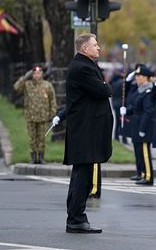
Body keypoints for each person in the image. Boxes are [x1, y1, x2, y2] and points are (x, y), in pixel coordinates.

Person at [64, 33, 113, 233]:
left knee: (81, 175)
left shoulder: (84, 65)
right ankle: (76, 219)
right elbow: (103, 90)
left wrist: (103, 86)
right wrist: (105, 86)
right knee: (82, 177)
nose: (98, 47)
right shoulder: (83, 68)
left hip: (85, 129)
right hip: (85, 131)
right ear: (85, 48)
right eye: (95, 45)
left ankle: (76, 216)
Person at [14, 65, 56, 164]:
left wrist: (52, 113)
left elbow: (52, 100)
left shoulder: (47, 85)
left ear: (42, 74)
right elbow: (16, 88)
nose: (37, 75)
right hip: (31, 116)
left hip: (43, 116)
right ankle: (33, 157)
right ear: (32, 75)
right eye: (35, 73)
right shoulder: (27, 84)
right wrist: (24, 77)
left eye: (39, 73)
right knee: (32, 138)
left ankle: (41, 157)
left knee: (42, 138)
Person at [130, 65, 155, 185]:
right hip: (136, 123)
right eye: (137, 76)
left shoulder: (148, 91)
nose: (137, 78)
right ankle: (141, 173)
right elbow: (134, 105)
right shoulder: (139, 89)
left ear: (146, 78)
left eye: (139, 76)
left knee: (144, 152)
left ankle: (148, 176)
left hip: (143, 125)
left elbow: (148, 111)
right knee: (138, 151)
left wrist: (143, 128)